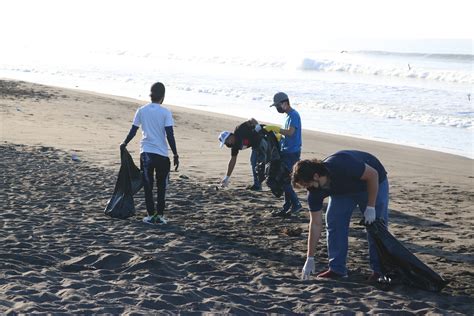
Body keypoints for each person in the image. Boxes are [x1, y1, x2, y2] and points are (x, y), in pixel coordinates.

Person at [291, 150, 389, 281]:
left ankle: (380, 271)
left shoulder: (341, 164)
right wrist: (310, 257)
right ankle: (337, 269)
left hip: (371, 182)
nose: (307, 188)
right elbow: (315, 224)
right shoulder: (314, 193)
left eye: (306, 184)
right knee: (334, 223)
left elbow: (373, 175)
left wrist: (371, 207)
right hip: (342, 192)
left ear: (315, 176)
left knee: (376, 225)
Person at [120, 82, 179, 225]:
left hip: (146, 153)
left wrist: (125, 143)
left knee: (148, 185)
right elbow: (170, 135)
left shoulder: (141, 110)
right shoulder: (166, 112)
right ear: (163, 97)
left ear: (150, 95)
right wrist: (176, 154)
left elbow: (133, 130)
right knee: (161, 186)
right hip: (162, 155)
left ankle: (150, 215)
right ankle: (159, 216)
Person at [267, 92, 303, 216]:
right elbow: (285, 134)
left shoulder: (294, 115)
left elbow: (291, 132)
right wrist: (278, 136)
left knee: (284, 180)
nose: (277, 108)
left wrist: (276, 129)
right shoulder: (287, 116)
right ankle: (287, 206)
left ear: (285, 103)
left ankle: (296, 204)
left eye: (278, 105)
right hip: (285, 150)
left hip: (292, 152)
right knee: (284, 180)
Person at [219, 118, 264, 190]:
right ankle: (258, 185)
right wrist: (227, 178)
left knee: (254, 160)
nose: (226, 144)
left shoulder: (239, 129)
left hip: (264, 137)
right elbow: (232, 161)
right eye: (225, 143)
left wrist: (257, 127)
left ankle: (258, 185)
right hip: (256, 145)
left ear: (230, 137)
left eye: (226, 142)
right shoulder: (234, 146)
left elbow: (252, 120)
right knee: (254, 161)